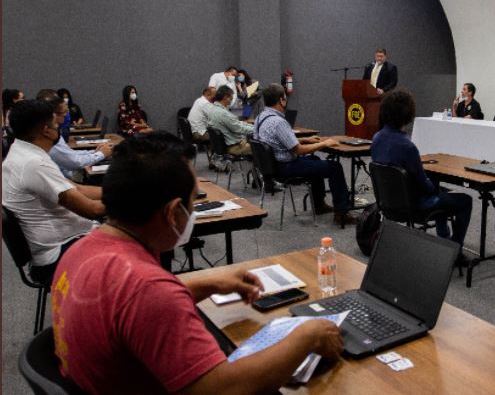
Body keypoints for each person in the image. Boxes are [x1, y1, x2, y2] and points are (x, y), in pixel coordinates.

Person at [50, 131, 343, 394]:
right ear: (172, 212)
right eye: (193, 201)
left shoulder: (81, 250)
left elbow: (126, 308)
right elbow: (225, 389)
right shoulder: (148, 291)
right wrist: (308, 335)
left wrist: (209, 283)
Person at [2, 100, 104, 283]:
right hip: (56, 255)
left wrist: (116, 190)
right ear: (46, 130)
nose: (60, 128)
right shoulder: (34, 164)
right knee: (135, 238)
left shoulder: (19, 152)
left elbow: (77, 188)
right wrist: (132, 199)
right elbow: (92, 210)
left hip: (56, 246)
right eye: (56, 124)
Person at [371, 89, 473, 259]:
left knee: (439, 191)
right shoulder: (407, 146)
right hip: (415, 206)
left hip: (388, 203)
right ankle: (454, 252)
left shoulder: (376, 138)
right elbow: (424, 186)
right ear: (408, 115)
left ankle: (444, 240)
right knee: (464, 200)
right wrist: (433, 186)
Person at [254, 83, 357, 225]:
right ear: (281, 100)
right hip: (286, 167)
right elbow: (298, 150)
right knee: (335, 167)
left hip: (273, 168)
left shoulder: (261, 118)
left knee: (314, 159)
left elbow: (278, 140)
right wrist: (324, 143)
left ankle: (319, 204)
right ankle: (342, 213)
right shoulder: (278, 122)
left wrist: (305, 139)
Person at [44, 96, 112, 179]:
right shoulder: (49, 139)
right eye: (65, 112)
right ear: (54, 114)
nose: (67, 115)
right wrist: (101, 154)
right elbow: (75, 162)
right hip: (68, 179)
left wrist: (95, 152)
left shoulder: (56, 132)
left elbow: (71, 153)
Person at [207, 86, 253, 156]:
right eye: (231, 98)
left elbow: (234, 123)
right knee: (262, 150)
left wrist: (249, 125)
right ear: (225, 97)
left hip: (224, 145)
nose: (231, 100)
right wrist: (257, 128)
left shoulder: (212, 109)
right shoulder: (223, 113)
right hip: (235, 147)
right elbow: (239, 129)